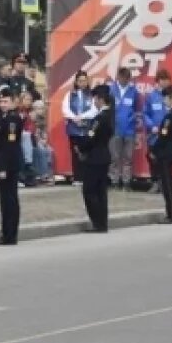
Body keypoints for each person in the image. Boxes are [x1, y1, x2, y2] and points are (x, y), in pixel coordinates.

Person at [76, 84, 115, 233]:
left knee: (90, 190)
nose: (94, 102)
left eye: (95, 99)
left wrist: (80, 147)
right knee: (101, 191)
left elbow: (91, 138)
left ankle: (97, 222)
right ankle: (102, 222)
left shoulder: (100, 118)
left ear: (100, 100)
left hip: (95, 157)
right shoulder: (110, 116)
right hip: (104, 155)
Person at [0, 87, 24, 246]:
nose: (2, 104)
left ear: (13, 102)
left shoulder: (12, 120)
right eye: (0, 101)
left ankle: (10, 235)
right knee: (6, 200)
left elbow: (9, 146)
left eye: (5, 101)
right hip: (4, 162)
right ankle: (7, 233)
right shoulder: (3, 118)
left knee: (9, 200)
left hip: (8, 164)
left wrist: (2, 168)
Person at [151, 86, 172, 224]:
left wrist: (153, 149)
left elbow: (163, 137)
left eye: (166, 97)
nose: (164, 100)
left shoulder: (170, 117)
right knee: (167, 184)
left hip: (166, 153)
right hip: (169, 151)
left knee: (167, 185)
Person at [109, 67, 141, 189]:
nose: (124, 80)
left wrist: (133, 118)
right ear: (118, 77)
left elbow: (138, 110)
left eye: (127, 78)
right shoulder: (111, 90)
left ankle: (127, 182)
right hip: (115, 129)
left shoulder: (134, 92)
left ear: (129, 78)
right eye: (122, 78)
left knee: (128, 157)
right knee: (114, 157)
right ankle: (114, 181)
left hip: (129, 130)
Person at [63, 70, 97, 186]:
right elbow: (65, 109)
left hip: (87, 128)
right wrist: (74, 118)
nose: (82, 83)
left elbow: (94, 110)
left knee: (87, 153)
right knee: (75, 153)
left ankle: (86, 177)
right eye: (80, 81)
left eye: (84, 80)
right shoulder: (70, 94)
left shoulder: (92, 95)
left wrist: (82, 117)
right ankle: (77, 177)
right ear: (76, 82)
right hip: (74, 128)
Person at [143, 70, 172, 193]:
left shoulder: (171, 96)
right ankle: (155, 181)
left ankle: (165, 182)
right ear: (158, 81)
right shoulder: (151, 96)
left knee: (165, 159)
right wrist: (151, 126)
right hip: (154, 135)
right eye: (163, 80)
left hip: (167, 135)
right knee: (152, 158)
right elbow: (145, 114)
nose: (166, 82)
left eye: (167, 80)